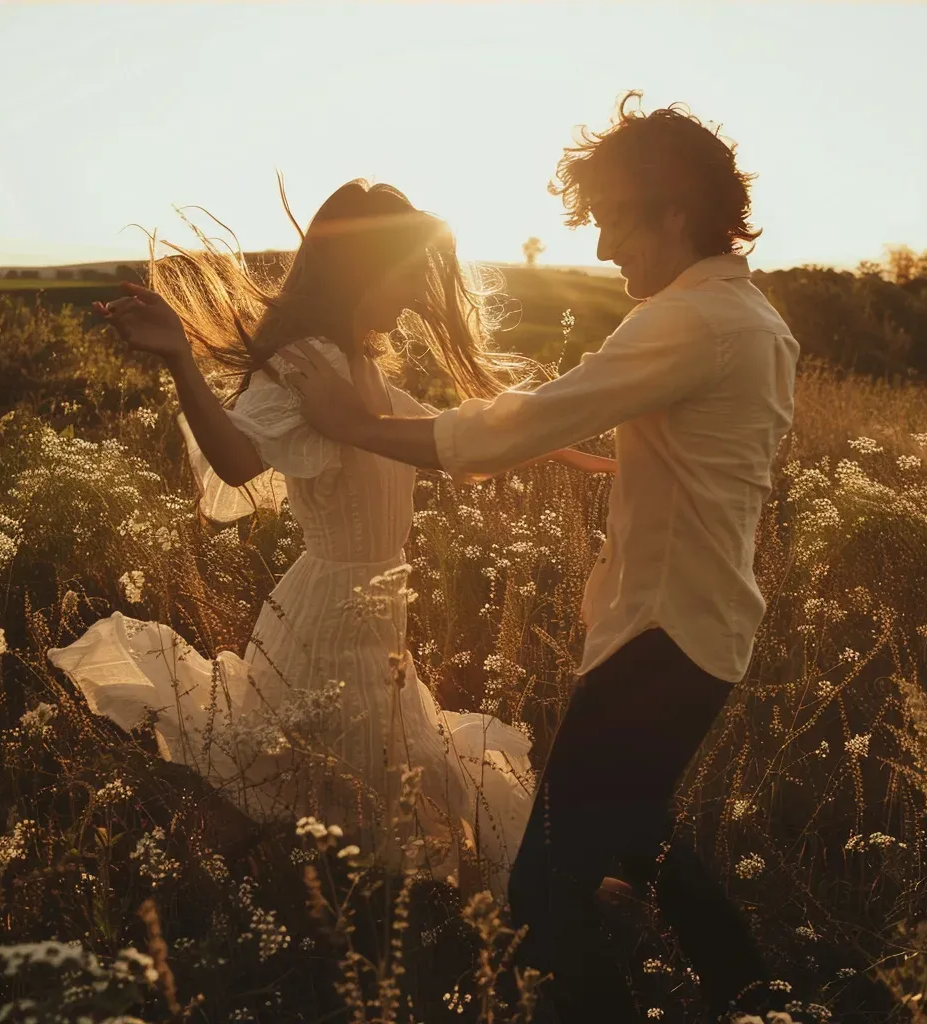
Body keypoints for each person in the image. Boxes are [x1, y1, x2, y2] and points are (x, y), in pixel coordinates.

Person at [274, 95, 801, 1024]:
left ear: (672, 212)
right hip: (701, 631)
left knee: (540, 894)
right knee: (642, 833)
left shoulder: (693, 321)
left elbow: (518, 424)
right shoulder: (751, 317)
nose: (602, 249)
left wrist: (357, 425)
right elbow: (699, 452)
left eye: (612, 220)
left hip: (662, 636)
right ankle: (761, 999)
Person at [47, 179, 615, 896]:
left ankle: (256, 898)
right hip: (329, 614)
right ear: (362, 269)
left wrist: (562, 451)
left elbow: (439, 442)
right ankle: (196, 905)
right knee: (329, 776)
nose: (414, 295)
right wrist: (180, 360)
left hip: (377, 612)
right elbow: (237, 460)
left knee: (343, 783)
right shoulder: (304, 363)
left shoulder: (361, 368)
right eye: (407, 275)